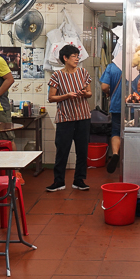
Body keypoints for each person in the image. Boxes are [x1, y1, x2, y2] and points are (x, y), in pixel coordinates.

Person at [48, 45, 93, 192]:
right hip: (65, 118)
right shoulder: (57, 76)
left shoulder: (83, 72)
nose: (77, 58)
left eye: (77, 56)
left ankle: (79, 180)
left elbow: (90, 93)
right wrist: (66, 96)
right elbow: (51, 98)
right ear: (65, 58)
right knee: (62, 150)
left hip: (83, 116)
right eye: (74, 56)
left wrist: (83, 93)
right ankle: (58, 181)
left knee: (82, 150)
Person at [99, 59, 123, 173]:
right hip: (134, 106)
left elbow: (104, 86)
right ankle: (131, 158)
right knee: (132, 131)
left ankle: (115, 154)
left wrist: (109, 92)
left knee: (116, 131)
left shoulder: (111, 67)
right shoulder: (138, 66)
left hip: (117, 104)